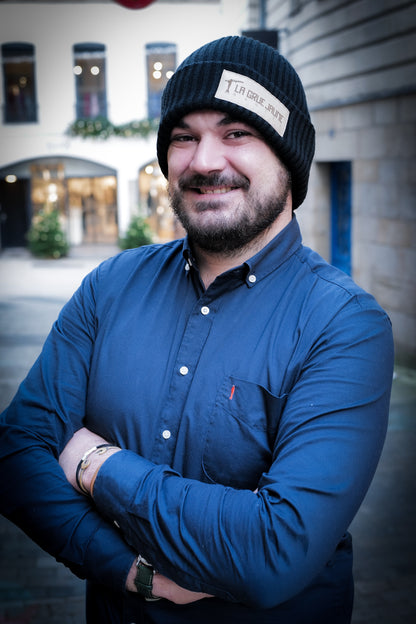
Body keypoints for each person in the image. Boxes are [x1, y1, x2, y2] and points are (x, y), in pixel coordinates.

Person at [0, 35, 394, 624]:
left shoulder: (346, 326)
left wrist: (95, 463)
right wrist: (129, 570)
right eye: (184, 136)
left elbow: (275, 550)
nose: (205, 161)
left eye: (237, 133)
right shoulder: (111, 285)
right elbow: (15, 450)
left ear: (289, 158)